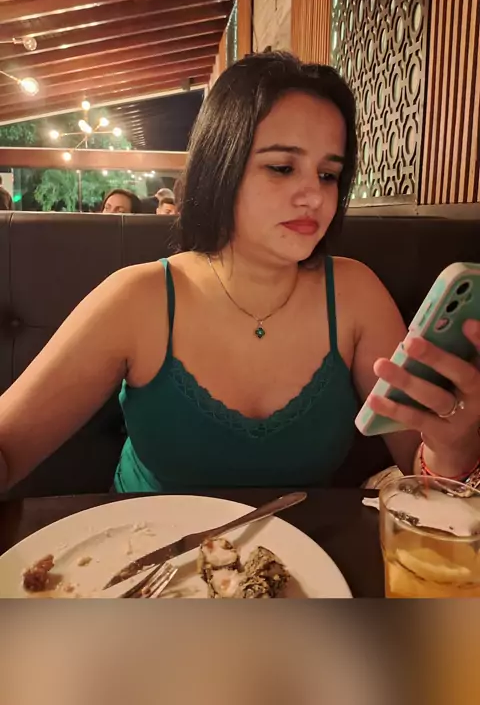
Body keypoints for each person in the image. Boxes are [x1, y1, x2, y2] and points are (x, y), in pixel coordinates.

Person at [0, 51, 479, 495]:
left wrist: (451, 449)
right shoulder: (138, 298)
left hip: (305, 554)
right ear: (220, 168)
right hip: (146, 550)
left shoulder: (355, 295)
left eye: (328, 174)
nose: (314, 195)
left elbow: (423, 472)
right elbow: (8, 446)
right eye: (282, 167)